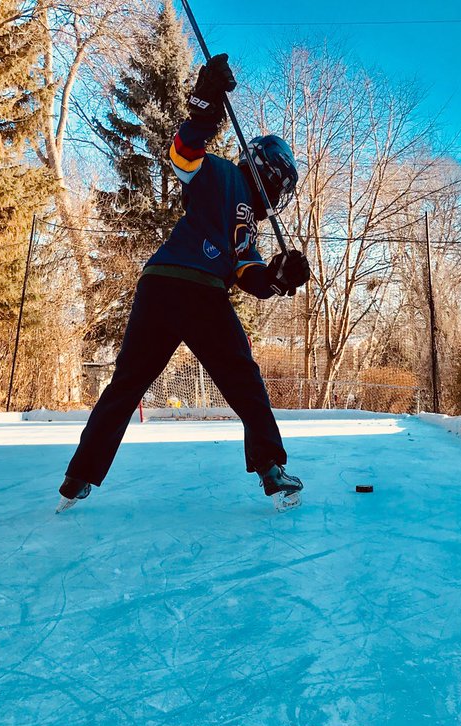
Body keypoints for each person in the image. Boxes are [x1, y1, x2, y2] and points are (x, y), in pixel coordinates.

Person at [58, 53, 311, 511]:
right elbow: (183, 155)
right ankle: (271, 469)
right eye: (281, 184)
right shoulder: (222, 173)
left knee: (128, 383)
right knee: (242, 381)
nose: (281, 196)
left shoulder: (248, 229)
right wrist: (206, 103)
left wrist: (277, 275)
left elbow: (247, 274)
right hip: (191, 289)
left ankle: (80, 476)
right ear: (268, 173)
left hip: (162, 288)